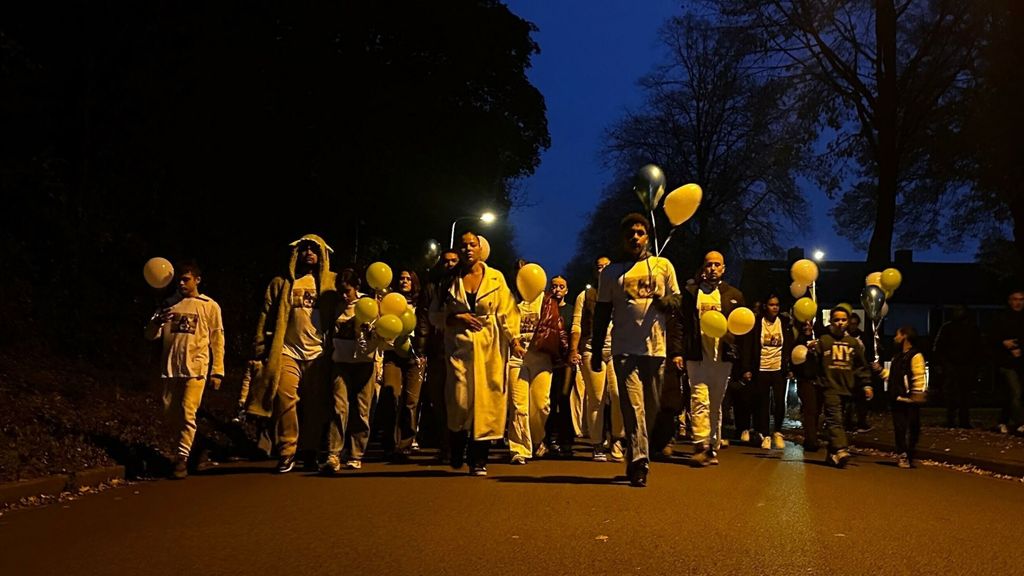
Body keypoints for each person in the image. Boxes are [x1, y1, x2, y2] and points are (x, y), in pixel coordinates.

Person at [591, 213, 680, 487]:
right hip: (624, 349)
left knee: (650, 408)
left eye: (640, 232)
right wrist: (596, 351)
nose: (635, 237)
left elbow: (677, 300)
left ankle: (636, 450)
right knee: (633, 406)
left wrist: (666, 303)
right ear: (623, 238)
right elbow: (602, 314)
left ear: (647, 237)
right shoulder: (611, 273)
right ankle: (641, 462)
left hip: (655, 349)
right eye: (630, 233)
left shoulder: (663, 265)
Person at [245, 234, 341, 474]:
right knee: (284, 399)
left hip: (318, 352)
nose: (309, 253)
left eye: (314, 249)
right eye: (304, 249)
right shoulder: (281, 283)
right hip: (287, 350)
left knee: (314, 404)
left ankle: (309, 451)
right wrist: (259, 347)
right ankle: (287, 450)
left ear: (322, 255)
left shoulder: (331, 282)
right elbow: (265, 314)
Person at [433, 230, 520, 476]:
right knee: (460, 400)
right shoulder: (447, 279)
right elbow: (433, 314)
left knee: (486, 403)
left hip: (490, 346)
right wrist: (456, 317)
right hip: (459, 346)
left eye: (473, 244)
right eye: (463, 245)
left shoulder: (496, 278)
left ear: (481, 249)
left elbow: (508, 312)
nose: (468, 249)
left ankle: (479, 458)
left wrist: (514, 340)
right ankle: (457, 446)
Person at [144, 261, 225, 479]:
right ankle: (193, 449)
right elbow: (150, 335)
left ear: (197, 280)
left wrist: (217, 370)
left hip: (196, 367)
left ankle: (181, 459)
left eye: (186, 279)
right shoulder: (168, 305)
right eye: (179, 279)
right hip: (170, 367)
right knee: (171, 414)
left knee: (188, 411)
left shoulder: (208, 306)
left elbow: (217, 339)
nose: (181, 283)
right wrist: (156, 322)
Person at [671, 251, 744, 467]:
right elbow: (680, 324)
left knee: (715, 403)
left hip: (722, 358)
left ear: (723, 268)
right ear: (704, 267)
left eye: (717, 265)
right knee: (699, 399)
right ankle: (700, 444)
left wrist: (736, 350)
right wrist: (677, 352)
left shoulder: (734, 295)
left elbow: (741, 327)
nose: (712, 268)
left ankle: (712, 445)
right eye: (709, 264)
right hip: (697, 356)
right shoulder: (691, 293)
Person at [322, 269, 380, 473]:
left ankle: (356, 453)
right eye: (341, 291)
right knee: (339, 407)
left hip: (364, 363)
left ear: (356, 287)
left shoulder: (369, 305)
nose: (345, 295)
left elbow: (379, 338)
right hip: (341, 362)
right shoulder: (337, 306)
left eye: (347, 291)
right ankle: (334, 453)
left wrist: (367, 332)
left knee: (362, 409)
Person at [509, 278, 569, 464]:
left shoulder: (547, 302)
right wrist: (514, 342)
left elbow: (556, 328)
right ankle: (519, 449)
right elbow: (505, 325)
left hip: (541, 359)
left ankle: (536, 439)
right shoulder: (512, 302)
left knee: (541, 405)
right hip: (517, 359)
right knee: (518, 405)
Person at [571, 256, 624, 462]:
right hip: (592, 350)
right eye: (599, 267)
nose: (603, 270)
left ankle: (618, 438)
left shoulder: (621, 293)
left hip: (618, 350)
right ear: (595, 272)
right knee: (596, 399)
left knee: (619, 395)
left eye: (607, 267)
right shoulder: (585, 296)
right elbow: (576, 325)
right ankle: (597, 442)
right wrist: (573, 350)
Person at [811, 308, 873, 468]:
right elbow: (814, 365)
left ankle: (831, 455)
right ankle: (841, 449)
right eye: (837, 320)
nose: (840, 323)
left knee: (839, 421)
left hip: (847, 388)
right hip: (830, 387)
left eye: (843, 320)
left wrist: (866, 384)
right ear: (831, 322)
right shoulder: (823, 341)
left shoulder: (853, 343)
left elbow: (861, 366)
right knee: (835, 419)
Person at [377, 270, 428, 460]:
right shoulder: (388, 301)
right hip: (392, 353)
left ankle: (405, 444)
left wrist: (423, 351)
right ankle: (389, 443)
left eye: (408, 279)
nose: (404, 281)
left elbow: (424, 326)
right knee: (391, 395)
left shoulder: (420, 303)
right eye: (401, 278)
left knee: (411, 401)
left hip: (414, 356)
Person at [740, 294, 794, 450]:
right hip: (762, 368)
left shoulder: (784, 323)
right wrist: (746, 368)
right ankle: (765, 434)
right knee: (762, 403)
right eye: (771, 304)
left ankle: (777, 430)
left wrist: (789, 366)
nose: (775, 307)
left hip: (778, 369)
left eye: (777, 304)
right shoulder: (757, 323)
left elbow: (789, 345)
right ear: (765, 306)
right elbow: (748, 346)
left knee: (779, 402)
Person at [422, 249, 461, 461]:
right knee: (438, 400)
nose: (450, 264)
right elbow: (423, 318)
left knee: (459, 399)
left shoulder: (467, 285)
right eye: (446, 261)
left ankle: (458, 444)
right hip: (437, 351)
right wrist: (421, 348)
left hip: (460, 350)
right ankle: (445, 445)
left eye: (454, 261)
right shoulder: (432, 288)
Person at [874, 326, 927, 468]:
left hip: (910, 399)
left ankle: (910, 453)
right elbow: (894, 377)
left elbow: (918, 375)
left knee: (913, 428)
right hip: (897, 398)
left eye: (897, 335)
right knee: (900, 428)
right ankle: (903, 454)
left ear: (905, 337)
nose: (894, 338)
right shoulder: (897, 357)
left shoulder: (915, 356)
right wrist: (880, 371)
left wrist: (917, 393)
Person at [933, 305, 982, 428]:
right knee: (954, 394)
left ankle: (959, 419)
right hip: (953, 365)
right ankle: (955, 419)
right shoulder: (950, 328)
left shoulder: (968, 328)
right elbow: (939, 347)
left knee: (963, 394)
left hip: (963, 365)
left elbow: (978, 348)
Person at [994, 290, 1024, 434]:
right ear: (1010, 301)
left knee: (1012, 394)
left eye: (1021, 299)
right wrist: (1004, 344)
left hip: (1019, 362)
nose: (1018, 302)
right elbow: (993, 338)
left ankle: (1003, 420)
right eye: (1015, 299)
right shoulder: (1002, 318)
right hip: (1007, 362)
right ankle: (1020, 422)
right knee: (1015, 392)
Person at [793, 320, 823, 451]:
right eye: (804, 325)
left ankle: (811, 436)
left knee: (816, 411)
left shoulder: (820, 340)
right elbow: (795, 360)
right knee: (809, 410)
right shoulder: (798, 341)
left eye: (810, 324)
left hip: (820, 380)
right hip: (805, 380)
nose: (807, 327)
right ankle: (812, 440)